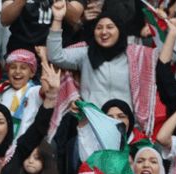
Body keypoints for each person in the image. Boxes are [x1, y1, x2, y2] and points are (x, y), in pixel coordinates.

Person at [46, 0, 157, 135]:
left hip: (125, 129)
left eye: (110, 27)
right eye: (99, 28)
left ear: (120, 30)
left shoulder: (134, 56)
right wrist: (57, 19)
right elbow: (55, 56)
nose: (104, 32)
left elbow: (164, 58)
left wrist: (166, 31)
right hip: (91, 128)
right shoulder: (85, 53)